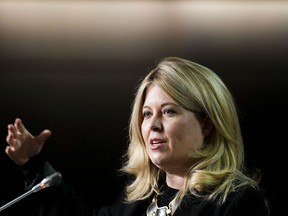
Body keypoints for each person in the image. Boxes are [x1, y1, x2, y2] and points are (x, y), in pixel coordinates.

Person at [3, 57, 269, 215]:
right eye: (146, 114)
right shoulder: (143, 200)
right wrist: (33, 163)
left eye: (168, 112)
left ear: (207, 123)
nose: (152, 125)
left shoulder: (237, 201)